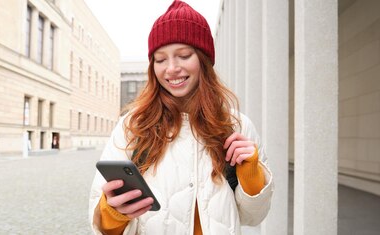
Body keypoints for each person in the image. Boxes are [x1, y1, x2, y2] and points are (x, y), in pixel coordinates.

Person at [88, 1, 273, 234]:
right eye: (160, 59)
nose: (171, 68)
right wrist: (112, 213)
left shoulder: (236, 126)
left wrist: (251, 175)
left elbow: (253, 217)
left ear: (204, 61)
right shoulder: (132, 126)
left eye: (184, 55)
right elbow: (100, 225)